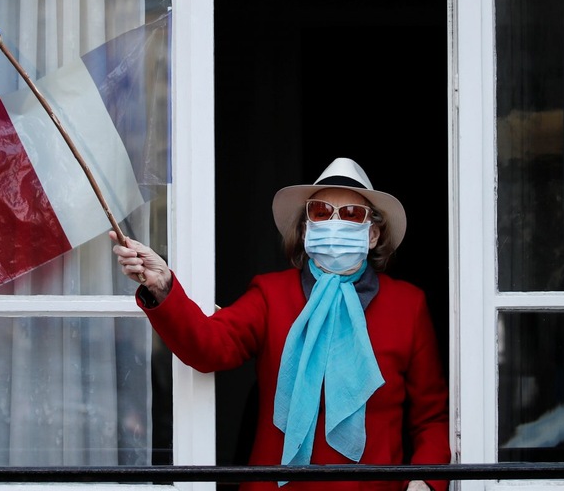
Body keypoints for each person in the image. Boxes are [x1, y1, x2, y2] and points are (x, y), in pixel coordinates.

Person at [111, 157, 450, 491]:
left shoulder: (408, 305)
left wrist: (427, 481)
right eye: (321, 212)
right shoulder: (270, 295)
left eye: (351, 214)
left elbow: (431, 418)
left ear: (372, 234)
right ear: (305, 230)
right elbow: (208, 347)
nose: (335, 223)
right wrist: (164, 286)